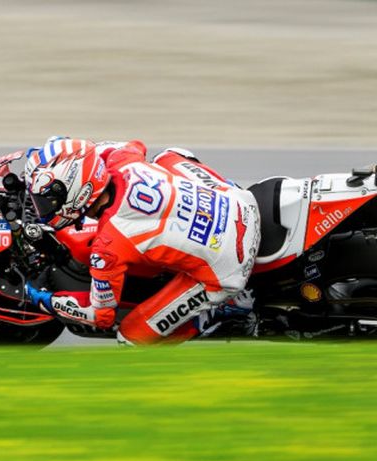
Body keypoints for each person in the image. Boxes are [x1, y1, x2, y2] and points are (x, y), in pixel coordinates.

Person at [24, 136, 260, 344]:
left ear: (79, 192)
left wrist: (44, 299)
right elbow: (128, 146)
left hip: (228, 267)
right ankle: (223, 190)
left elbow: (101, 316)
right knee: (170, 155)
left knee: (130, 336)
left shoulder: (108, 246)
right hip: (239, 203)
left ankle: (217, 314)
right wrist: (65, 150)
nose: (43, 209)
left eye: (48, 201)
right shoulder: (124, 159)